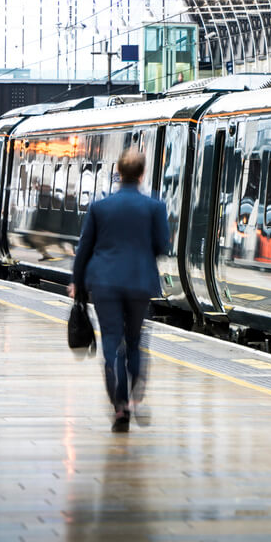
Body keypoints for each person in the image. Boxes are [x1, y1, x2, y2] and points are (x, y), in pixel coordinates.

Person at [68, 148, 169, 433]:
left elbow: (84, 249)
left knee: (112, 341)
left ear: (118, 173)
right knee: (135, 341)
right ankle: (136, 396)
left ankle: (120, 407)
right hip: (139, 282)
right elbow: (162, 246)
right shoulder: (155, 207)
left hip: (105, 283)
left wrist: (77, 281)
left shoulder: (100, 207)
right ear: (141, 174)